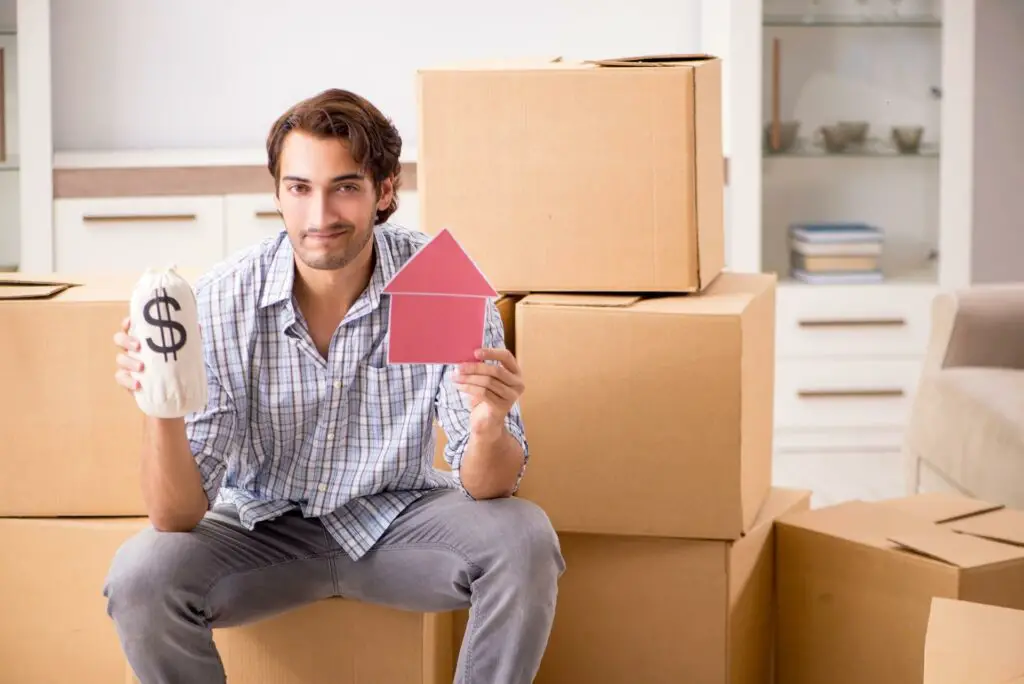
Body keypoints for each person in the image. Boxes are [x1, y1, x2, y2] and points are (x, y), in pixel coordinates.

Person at [104, 88, 565, 684]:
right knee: (141, 574)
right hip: (260, 532)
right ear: (277, 193)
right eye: (299, 189)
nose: (319, 216)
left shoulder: (434, 281)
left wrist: (487, 427)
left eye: (345, 187)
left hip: (398, 525)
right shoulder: (222, 299)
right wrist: (159, 398)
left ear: (386, 190)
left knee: (524, 538)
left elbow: (488, 486)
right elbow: (175, 516)